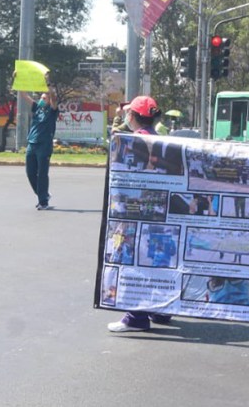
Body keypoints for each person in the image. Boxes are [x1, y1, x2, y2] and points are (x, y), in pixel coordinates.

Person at [108, 95, 174, 333]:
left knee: (135, 259)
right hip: (159, 211)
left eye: (128, 113)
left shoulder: (133, 141)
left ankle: (136, 316)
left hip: (137, 210)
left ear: (133, 116)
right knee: (159, 258)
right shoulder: (160, 139)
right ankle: (161, 309)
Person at [19, 84, 59, 210]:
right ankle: (44, 195)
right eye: (41, 97)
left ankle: (43, 201)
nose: (42, 100)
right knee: (30, 172)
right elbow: (23, 95)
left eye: (44, 98)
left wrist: (50, 89)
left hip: (44, 145)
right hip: (32, 144)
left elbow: (53, 100)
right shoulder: (37, 108)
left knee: (42, 173)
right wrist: (19, 80)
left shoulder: (52, 111)